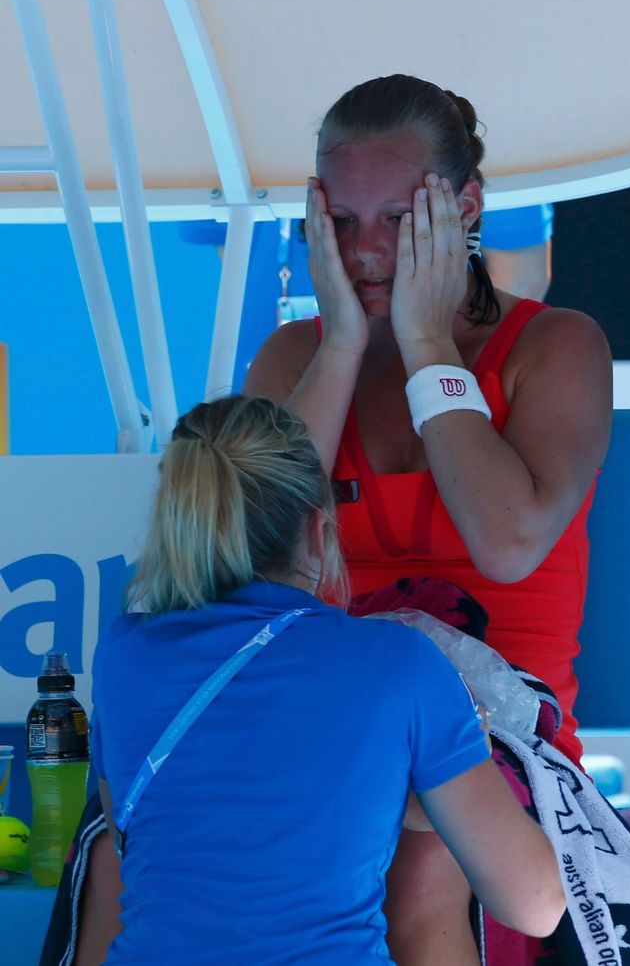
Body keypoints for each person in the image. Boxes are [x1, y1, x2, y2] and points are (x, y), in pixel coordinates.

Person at [243, 74, 612, 963]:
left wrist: (427, 348)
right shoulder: (297, 353)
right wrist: (339, 346)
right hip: (330, 714)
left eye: (398, 221)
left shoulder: (557, 346)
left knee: (419, 864)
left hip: (500, 734)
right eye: (340, 222)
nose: (366, 253)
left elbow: (508, 541)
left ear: (467, 208)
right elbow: (248, 558)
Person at [89, 394, 564, 964]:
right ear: (319, 531)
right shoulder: (398, 661)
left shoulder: (123, 653)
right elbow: (534, 903)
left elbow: (136, 834)